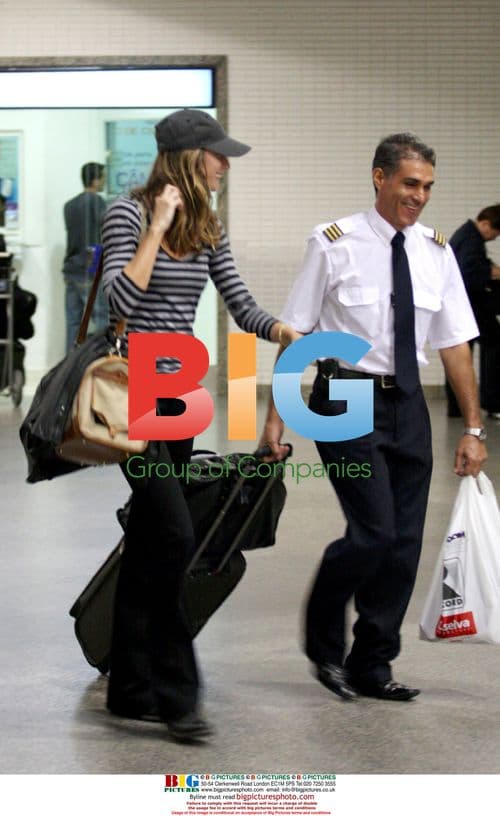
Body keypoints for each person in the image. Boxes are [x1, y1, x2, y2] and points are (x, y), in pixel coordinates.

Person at [261, 133, 487, 702]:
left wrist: (473, 428)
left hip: (408, 402)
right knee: (374, 533)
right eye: (410, 183)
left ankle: (373, 662)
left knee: (404, 542)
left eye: (428, 187)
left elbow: (455, 344)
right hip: (345, 397)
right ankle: (324, 648)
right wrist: (274, 420)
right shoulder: (333, 243)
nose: (420, 196)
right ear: (379, 177)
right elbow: (297, 333)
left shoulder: (436, 252)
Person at [101, 108, 298, 742]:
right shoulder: (128, 214)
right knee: (175, 535)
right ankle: (178, 697)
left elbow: (240, 304)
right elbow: (118, 300)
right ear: (190, 158)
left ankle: (129, 690)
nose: (225, 167)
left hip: (179, 397)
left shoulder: (210, 228)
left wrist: (281, 330)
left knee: (150, 544)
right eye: (218, 156)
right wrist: (157, 227)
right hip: (132, 396)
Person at [445, 205, 500, 419]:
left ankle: (457, 406)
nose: (495, 237)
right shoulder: (471, 239)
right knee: (493, 345)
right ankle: (492, 402)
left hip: (463, 306)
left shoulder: (466, 235)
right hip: (471, 306)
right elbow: (468, 272)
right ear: (485, 224)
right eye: (495, 232)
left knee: (459, 353)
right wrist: (492, 272)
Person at [62, 162, 108, 351]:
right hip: (90, 270)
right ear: (95, 180)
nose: (104, 182)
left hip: (71, 269)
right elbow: (102, 237)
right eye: (103, 178)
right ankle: (100, 362)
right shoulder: (98, 203)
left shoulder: (69, 206)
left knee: (73, 324)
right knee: (102, 320)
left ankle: (69, 364)